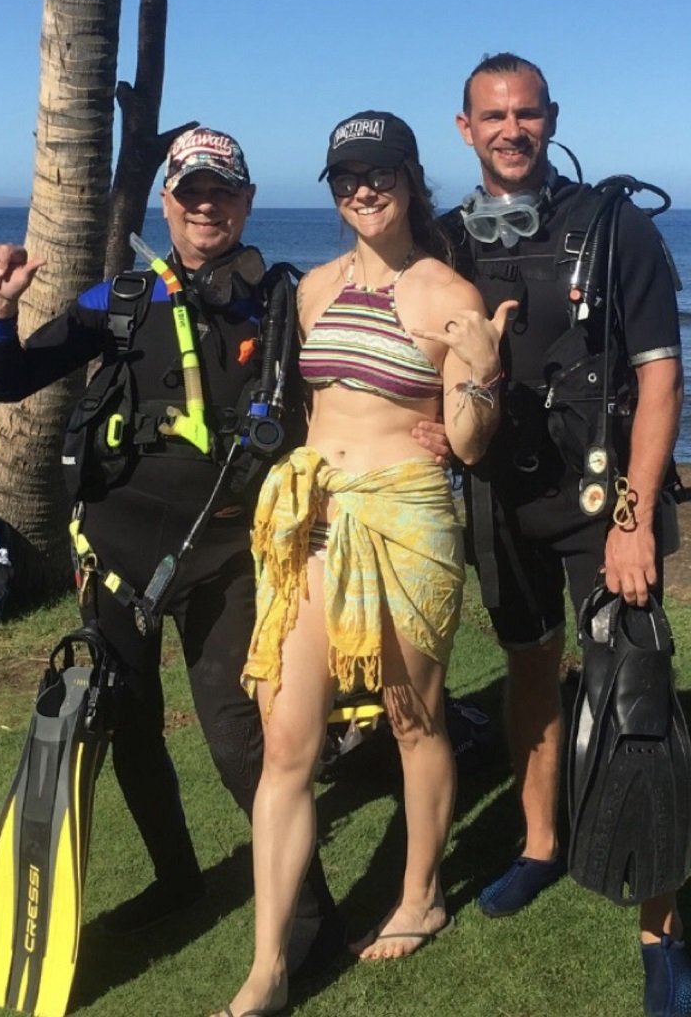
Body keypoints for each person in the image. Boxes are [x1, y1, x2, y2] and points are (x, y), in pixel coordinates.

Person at [0, 126, 343, 976]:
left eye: (222, 192)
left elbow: (351, 388)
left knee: (237, 735)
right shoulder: (122, 298)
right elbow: (9, 380)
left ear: (247, 202)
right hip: (116, 555)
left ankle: (313, 911)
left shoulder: (284, 302)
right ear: (167, 204)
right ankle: (177, 880)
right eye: (190, 193)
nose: (206, 207)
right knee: (129, 726)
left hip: (225, 555)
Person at [213, 111, 512, 1017]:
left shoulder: (448, 293)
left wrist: (481, 374)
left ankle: (420, 896)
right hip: (317, 523)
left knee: (414, 719)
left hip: (407, 521)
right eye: (347, 177)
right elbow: (309, 412)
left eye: (380, 173)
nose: (363, 190)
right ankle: (268, 968)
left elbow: (468, 445)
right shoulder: (312, 290)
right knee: (287, 743)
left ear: (411, 179)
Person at [442, 52, 687, 1016]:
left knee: (636, 689)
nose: (511, 130)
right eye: (493, 116)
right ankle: (541, 844)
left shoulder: (615, 226)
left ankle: (662, 927)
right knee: (530, 669)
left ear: (551, 119)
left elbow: (661, 378)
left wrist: (635, 520)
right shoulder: (447, 241)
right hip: (501, 502)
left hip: (600, 502)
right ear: (465, 128)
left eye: (527, 114)